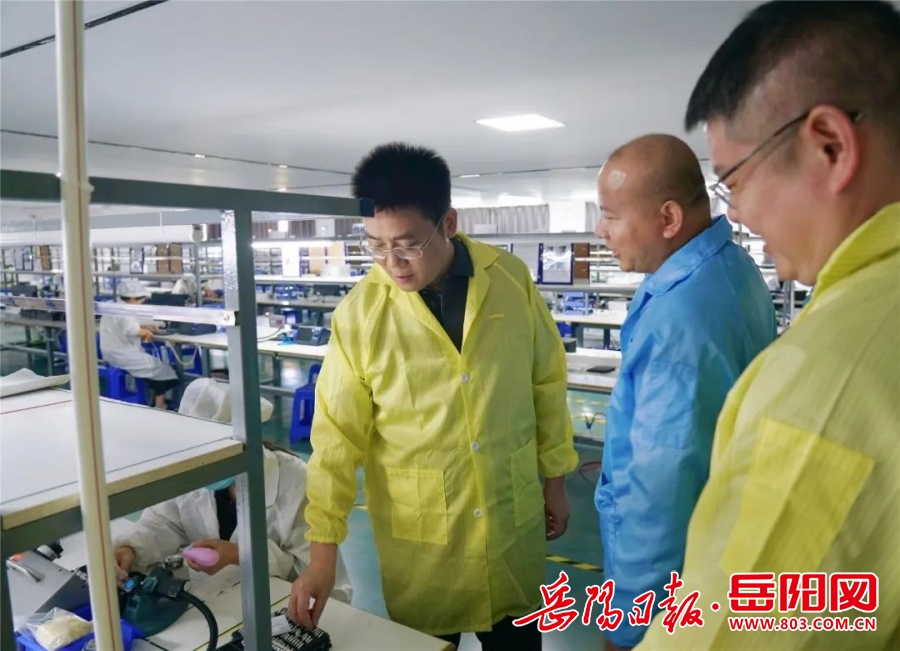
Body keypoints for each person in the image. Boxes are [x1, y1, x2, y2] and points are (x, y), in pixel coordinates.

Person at [637, 2, 900, 649]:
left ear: (830, 146)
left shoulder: (829, 381)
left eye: (734, 180)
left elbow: (731, 631)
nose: (738, 214)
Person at [288, 142, 578, 647]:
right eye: (376, 246)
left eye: (407, 245)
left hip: (510, 522)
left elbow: (546, 381)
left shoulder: (509, 280)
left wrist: (555, 478)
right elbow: (335, 439)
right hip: (423, 544)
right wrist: (322, 556)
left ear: (449, 223)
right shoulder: (360, 315)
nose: (392, 263)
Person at [593, 134, 776, 651]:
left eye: (611, 216)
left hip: (667, 585)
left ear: (669, 219)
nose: (600, 231)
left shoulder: (680, 319)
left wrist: (629, 622)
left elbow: (662, 489)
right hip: (717, 551)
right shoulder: (731, 269)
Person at [112, 378, 353, 602]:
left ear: (246, 442)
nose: (204, 464)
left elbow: (315, 573)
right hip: (220, 601)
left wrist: (240, 555)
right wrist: (132, 548)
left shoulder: (295, 481)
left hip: (283, 604)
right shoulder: (193, 472)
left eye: (213, 453)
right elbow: (163, 521)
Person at [98, 279, 180, 409]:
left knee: (151, 368)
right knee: (162, 370)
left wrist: (144, 327)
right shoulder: (126, 310)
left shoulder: (113, 305)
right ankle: (160, 404)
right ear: (132, 298)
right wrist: (145, 331)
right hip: (122, 354)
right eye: (140, 300)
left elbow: (123, 327)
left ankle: (155, 400)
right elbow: (133, 330)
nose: (141, 303)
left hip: (110, 353)